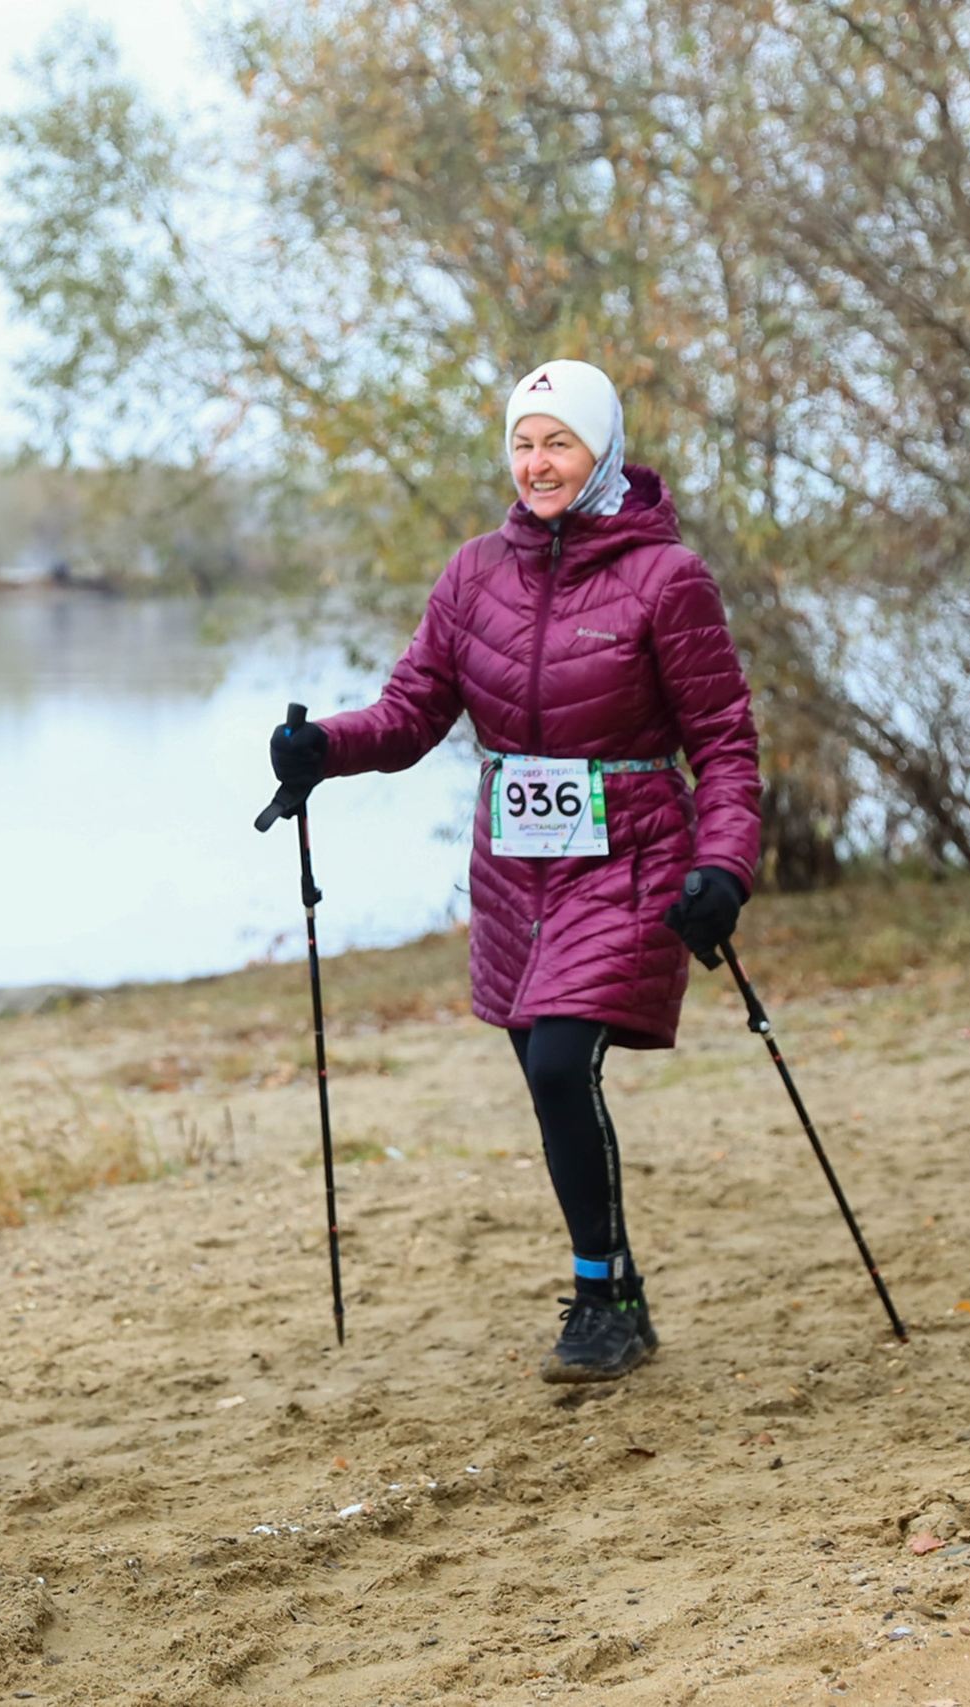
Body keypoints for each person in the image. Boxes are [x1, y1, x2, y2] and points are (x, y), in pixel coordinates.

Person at [268, 358, 760, 1383]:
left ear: (601, 451)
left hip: (629, 853)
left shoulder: (668, 581)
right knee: (544, 1067)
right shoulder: (473, 572)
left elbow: (722, 742)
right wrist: (326, 749)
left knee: (556, 1061)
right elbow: (411, 714)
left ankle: (600, 1299)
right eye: (523, 444)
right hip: (512, 868)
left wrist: (724, 868)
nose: (538, 464)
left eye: (559, 443)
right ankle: (615, 1284)